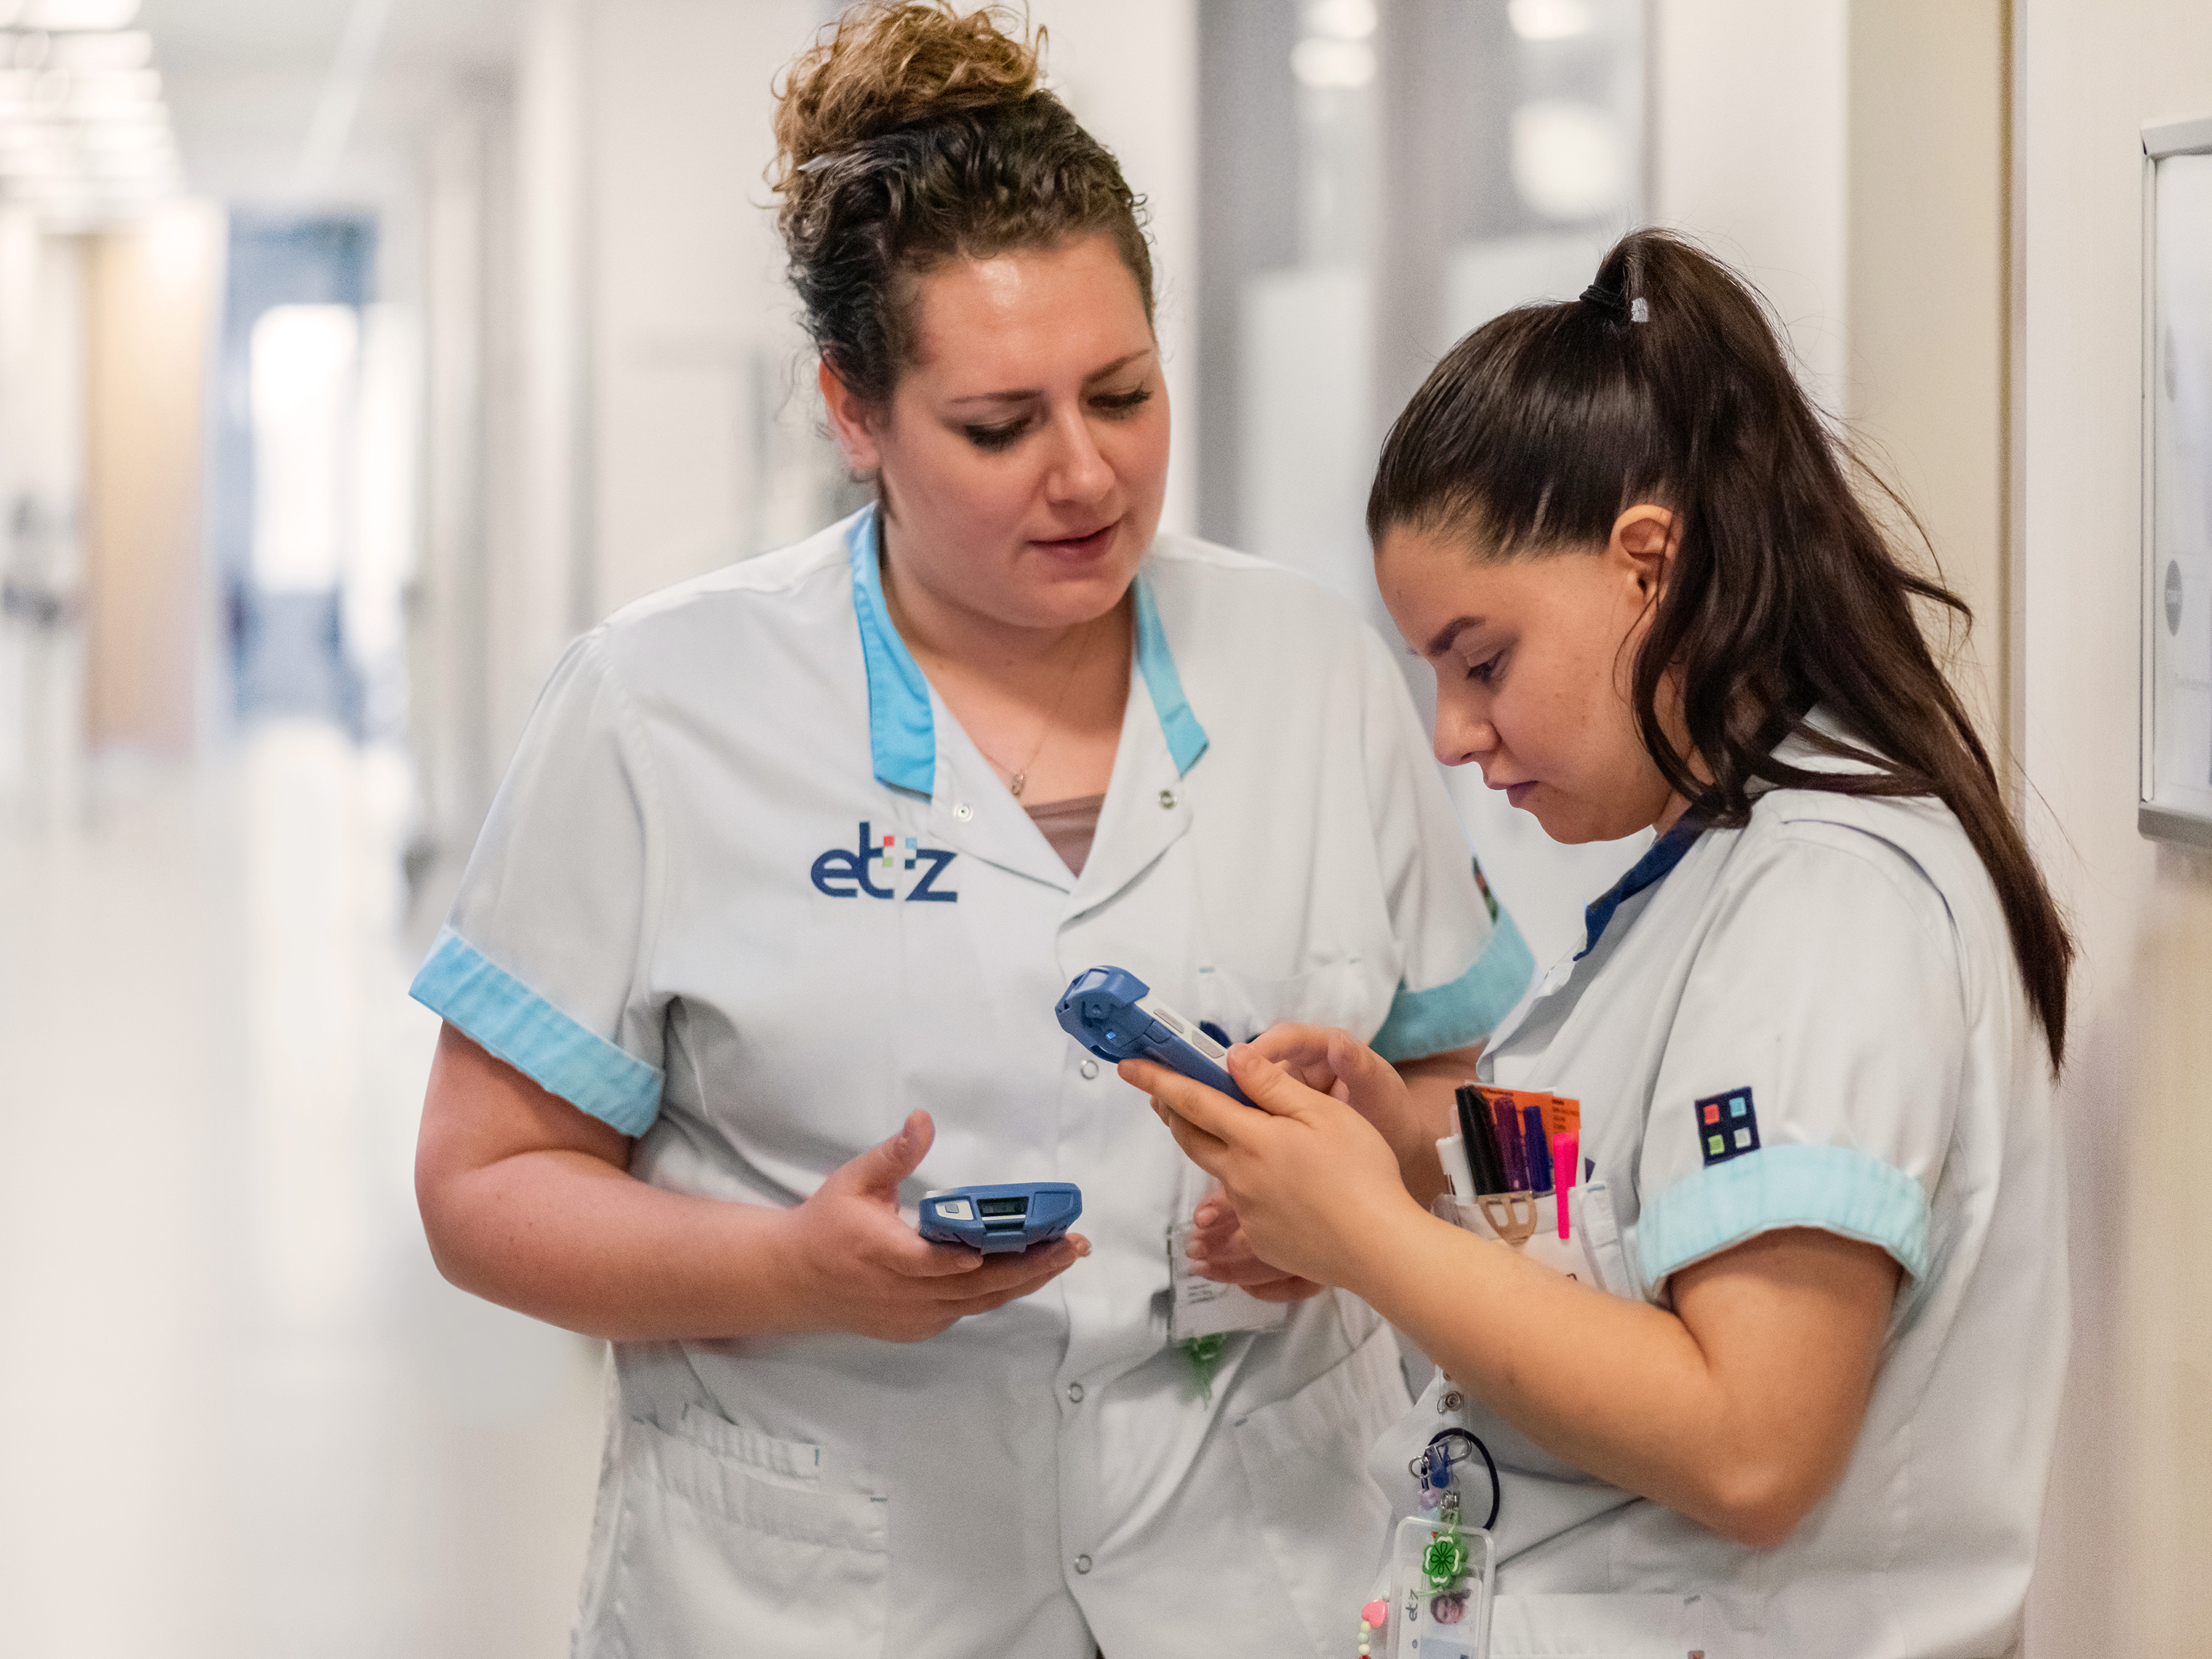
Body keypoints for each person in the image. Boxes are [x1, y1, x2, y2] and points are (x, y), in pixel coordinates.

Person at [407, 5, 1534, 1655]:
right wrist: (791, 1266)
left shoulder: (1311, 670)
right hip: (826, 1583)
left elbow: (1466, 1094)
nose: (1086, 475)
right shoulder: (660, 706)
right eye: (1001, 426)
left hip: (1260, 1562)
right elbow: (480, 1185)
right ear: (853, 413)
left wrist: (1373, 1173)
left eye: (1126, 394)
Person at [1137, 230, 2071, 1659]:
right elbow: (1646, 1208)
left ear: (1648, 564)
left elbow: (1750, 1443)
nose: (1454, 734)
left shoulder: (1832, 907)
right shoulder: (1721, 866)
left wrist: (1373, 1241)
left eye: (1482, 660)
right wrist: (1410, 1149)